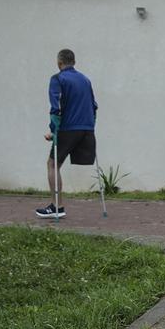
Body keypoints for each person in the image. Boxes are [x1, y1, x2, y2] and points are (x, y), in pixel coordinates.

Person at [36, 49, 98, 219]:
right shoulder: (85, 80)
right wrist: (91, 127)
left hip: (68, 129)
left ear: (59, 63)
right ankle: (57, 206)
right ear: (74, 62)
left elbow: (56, 108)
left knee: (52, 164)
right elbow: (94, 106)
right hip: (86, 129)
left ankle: (57, 206)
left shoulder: (57, 79)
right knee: (57, 165)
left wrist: (53, 131)